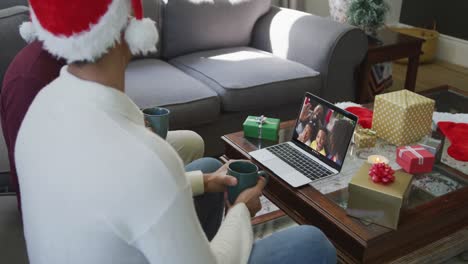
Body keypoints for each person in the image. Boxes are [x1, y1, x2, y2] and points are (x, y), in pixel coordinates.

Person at [14, 1, 337, 263]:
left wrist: (201, 182)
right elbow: (134, 184)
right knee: (311, 242)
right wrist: (240, 213)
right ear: (128, 26)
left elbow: (106, 195)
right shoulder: (145, 159)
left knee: (209, 170)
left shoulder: (42, 105)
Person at [0, 41, 204, 214]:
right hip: (69, 199)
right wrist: (200, 181)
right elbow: (50, 181)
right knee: (207, 171)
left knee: (192, 142)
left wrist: (132, 125)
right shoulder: (29, 82)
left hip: (98, 155)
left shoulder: (77, 53)